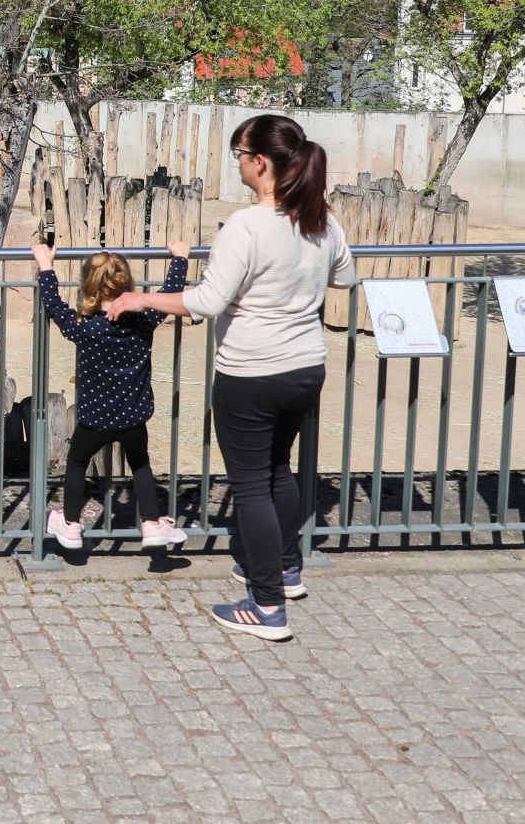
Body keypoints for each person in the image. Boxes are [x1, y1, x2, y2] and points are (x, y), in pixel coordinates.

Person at [107, 114, 356, 641]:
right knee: (276, 472)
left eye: (240, 154)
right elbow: (345, 276)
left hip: (251, 373)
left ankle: (266, 604)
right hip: (305, 367)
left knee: (250, 485)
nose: (238, 163)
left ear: (260, 162)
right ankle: (285, 570)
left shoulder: (245, 225)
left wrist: (140, 297)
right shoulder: (321, 220)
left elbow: (207, 301)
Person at [33, 241, 192, 551]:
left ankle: (70, 523)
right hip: (133, 417)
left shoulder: (84, 328)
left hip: (94, 419)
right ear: (127, 284)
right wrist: (181, 259)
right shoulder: (144, 321)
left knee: (77, 462)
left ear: (88, 285)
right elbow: (168, 293)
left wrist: (46, 266)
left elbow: (53, 304)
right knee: (141, 464)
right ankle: (151, 524)